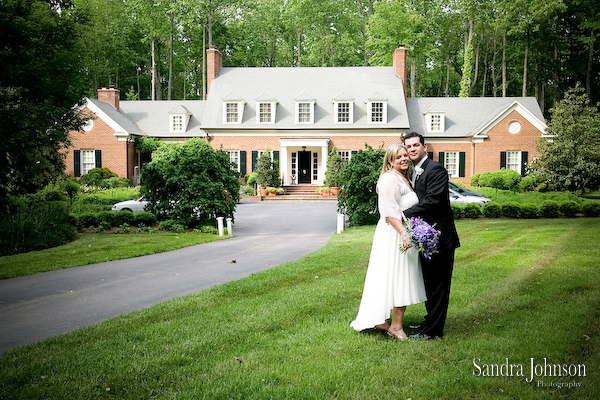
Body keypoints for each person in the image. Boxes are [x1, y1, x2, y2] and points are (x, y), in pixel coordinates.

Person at [350, 144, 427, 339]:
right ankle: (396, 326)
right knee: (401, 278)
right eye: (398, 157)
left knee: (397, 278)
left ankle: (384, 321)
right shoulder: (389, 180)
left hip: (400, 232)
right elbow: (388, 213)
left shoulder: (402, 178)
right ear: (390, 161)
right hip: (394, 235)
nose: (404, 159)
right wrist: (403, 234)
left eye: (405, 156)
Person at [402, 132, 460, 340]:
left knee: (438, 286)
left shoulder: (435, 169)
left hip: (440, 238)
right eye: (408, 147)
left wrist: (404, 214)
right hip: (425, 238)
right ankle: (430, 322)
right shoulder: (415, 171)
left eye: (416, 145)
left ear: (424, 147)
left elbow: (434, 200)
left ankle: (434, 331)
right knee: (429, 284)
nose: (412, 149)